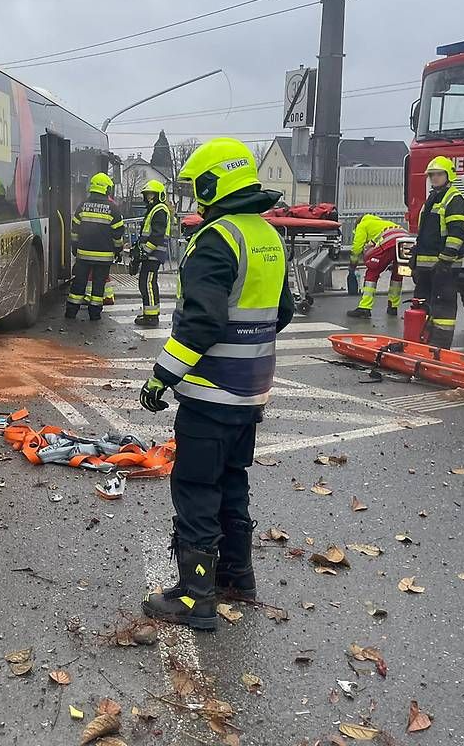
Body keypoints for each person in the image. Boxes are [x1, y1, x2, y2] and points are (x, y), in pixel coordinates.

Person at [138, 139, 294, 630]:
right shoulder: (266, 235)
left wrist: (161, 377)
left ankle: (195, 598)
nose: (196, 199)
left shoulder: (214, 239)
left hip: (210, 393)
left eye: (197, 188)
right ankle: (237, 576)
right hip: (251, 391)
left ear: (211, 184)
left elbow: (199, 324)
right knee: (232, 480)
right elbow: (282, 312)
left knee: (195, 487)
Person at [410, 156, 464, 348]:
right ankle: (423, 343)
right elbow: (426, 233)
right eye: (431, 175)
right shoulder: (433, 198)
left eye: (438, 174)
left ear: (449, 175)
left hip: (445, 268)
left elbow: (456, 234)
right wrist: (415, 259)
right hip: (427, 268)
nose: (434, 178)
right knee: (423, 306)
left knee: (443, 311)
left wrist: (445, 262)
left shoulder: (455, 199)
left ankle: (440, 349)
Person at [65, 172, 124, 321]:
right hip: (104, 257)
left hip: (83, 255)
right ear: (106, 189)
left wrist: (74, 247)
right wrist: (118, 251)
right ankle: (95, 314)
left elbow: (74, 229)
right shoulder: (113, 209)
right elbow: (118, 235)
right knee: (98, 286)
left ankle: (71, 312)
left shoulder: (82, 206)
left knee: (79, 283)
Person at [345, 213, 408, 318]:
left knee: (372, 271)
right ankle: (393, 306)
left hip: (389, 242)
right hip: (405, 241)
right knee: (397, 274)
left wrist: (353, 265)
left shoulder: (363, 225)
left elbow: (357, 247)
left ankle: (365, 308)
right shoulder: (383, 223)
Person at [134, 179, 173, 327]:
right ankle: (150, 313)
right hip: (151, 254)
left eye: (151, 195)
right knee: (146, 283)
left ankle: (151, 317)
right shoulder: (154, 210)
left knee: (148, 284)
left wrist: (144, 252)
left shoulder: (159, 210)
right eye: (147, 195)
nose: (148, 198)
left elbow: (157, 235)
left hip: (153, 255)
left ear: (158, 195)